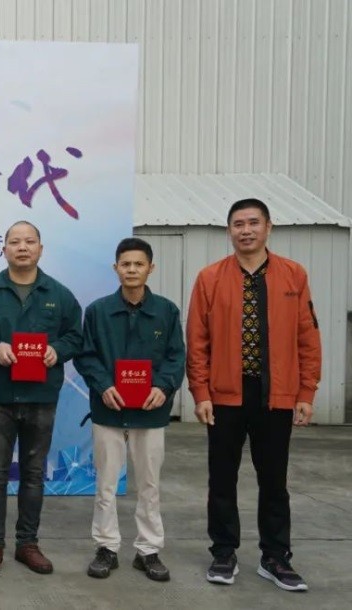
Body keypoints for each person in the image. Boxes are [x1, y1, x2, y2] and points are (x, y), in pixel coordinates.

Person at [186, 198, 321, 592]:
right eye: (238, 224)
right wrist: (200, 391)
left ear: (268, 227)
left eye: (253, 223)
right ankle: (223, 552)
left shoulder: (293, 275)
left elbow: (308, 337)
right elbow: (198, 340)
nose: (245, 231)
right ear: (229, 230)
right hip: (225, 395)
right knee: (222, 478)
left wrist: (306, 391)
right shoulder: (210, 278)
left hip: (276, 395)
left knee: (274, 480)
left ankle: (276, 557)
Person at [0, 220, 83, 576]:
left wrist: (57, 350)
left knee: (34, 473)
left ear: (40, 249)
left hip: (41, 396)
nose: (22, 247)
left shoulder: (59, 295)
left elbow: (76, 336)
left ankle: (27, 544)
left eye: (29, 241)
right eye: (15, 242)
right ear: (4, 249)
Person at [74, 237, 184, 581]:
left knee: (149, 484)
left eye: (139, 264)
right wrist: (103, 385)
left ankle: (148, 550)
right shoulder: (98, 311)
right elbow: (86, 355)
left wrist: (163, 387)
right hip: (108, 409)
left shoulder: (166, 311)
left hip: (150, 412)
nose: (132, 270)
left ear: (151, 268)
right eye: (126, 264)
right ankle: (106, 547)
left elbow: (176, 356)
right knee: (106, 482)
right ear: (116, 268)